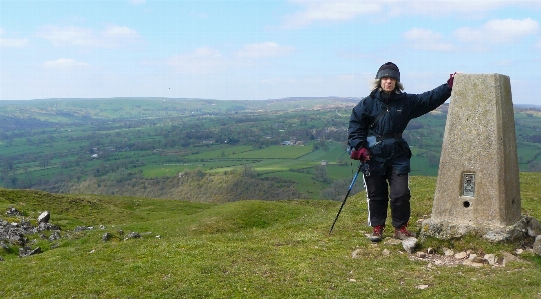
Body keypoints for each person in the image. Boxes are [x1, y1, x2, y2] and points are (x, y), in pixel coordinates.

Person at [347, 62, 455, 242]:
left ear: (397, 82)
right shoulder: (366, 104)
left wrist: (448, 86)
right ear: (379, 80)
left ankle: (400, 228)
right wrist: (359, 148)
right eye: (385, 78)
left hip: (397, 154)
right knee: (376, 194)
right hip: (372, 156)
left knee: (401, 193)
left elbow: (429, 99)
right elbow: (355, 127)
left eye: (392, 79)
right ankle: (377, 228)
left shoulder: (406, 102)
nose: (388, 81)